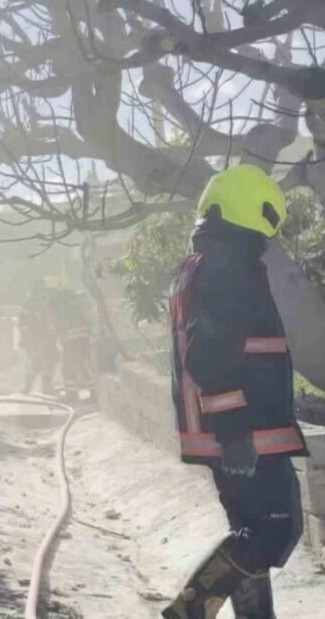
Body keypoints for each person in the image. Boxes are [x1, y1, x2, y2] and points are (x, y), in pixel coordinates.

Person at [163, 165, 308, 619]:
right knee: (272, 532)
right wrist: (233, 428)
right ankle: (186, 613)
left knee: (251, 532)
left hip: (238, 427)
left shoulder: (203, 265)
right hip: (248, 429)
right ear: (253, 208)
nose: (271, 233)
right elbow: (208, 354)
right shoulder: (225, 265)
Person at [19, 280, 59, 394]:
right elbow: (24, 324)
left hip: (46, 337)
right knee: (40, 361)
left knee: (49, 359)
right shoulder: (30, 303)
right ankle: (31, 387)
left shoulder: (45, 301)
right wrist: (26, 338)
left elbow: (51, 321)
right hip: (35, 338)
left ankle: (42, 387)